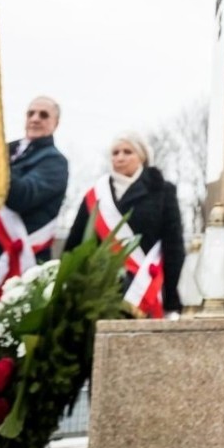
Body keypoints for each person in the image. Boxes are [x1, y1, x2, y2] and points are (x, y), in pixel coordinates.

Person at [0, 96, 68, 355]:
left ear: (55, 123)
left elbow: (23, 196)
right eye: (30, 112)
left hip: (19, 277)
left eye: (43, 115)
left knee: (4, 363)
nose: (35, 119)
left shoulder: (54, 162)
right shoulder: (5, 151)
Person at [64, 133, 185, 318]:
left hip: (146, 288)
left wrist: (171, 298)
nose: (120, 157)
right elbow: (75, 244)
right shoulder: (96, 195)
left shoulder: (161, 191)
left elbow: (173, 245)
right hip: (101, 290)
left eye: (128, 152)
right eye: (115, 153)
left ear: (142, 157)